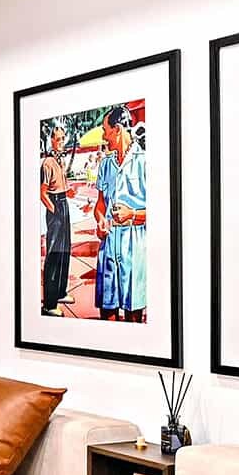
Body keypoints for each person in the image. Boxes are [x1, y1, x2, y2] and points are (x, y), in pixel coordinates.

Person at [93, 105, 148, 323]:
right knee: (107, 313)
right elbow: (99, 204)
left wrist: (131, 214)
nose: (104, 137)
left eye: (105, 131)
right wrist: (100, 221)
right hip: (108, 246)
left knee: (133, 316)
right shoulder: (105, 164)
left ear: (117, 129)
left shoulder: (145, 161)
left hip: (134, 248)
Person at [39, 123, 73, 316]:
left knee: (65, 249)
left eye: (62, 139)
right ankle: (49, 304)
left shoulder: (60, 161)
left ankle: (60, 292)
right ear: (51, 140)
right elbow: (42, 193)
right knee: (53, 254)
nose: (61, 142)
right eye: (57, 139)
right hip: (55, 206)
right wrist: (54, 212)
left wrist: (69, 193)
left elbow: (60, 185)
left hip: (64, 202)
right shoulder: (48, 163)